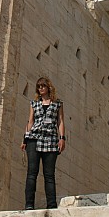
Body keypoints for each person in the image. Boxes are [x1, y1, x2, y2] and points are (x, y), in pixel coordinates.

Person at [21, 76, 66, 209]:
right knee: (31, 173)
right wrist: (24, 139)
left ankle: (51, 205)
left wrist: (62, 138)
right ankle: (29, 205)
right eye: (39, 86)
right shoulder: (34, 104)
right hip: (34, 138)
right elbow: (30, 121)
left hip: (51, 139)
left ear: (48, 87)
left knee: (49, 175)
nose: (41, 88)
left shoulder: (58, 104)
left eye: (43, 86)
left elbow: (61, 121)